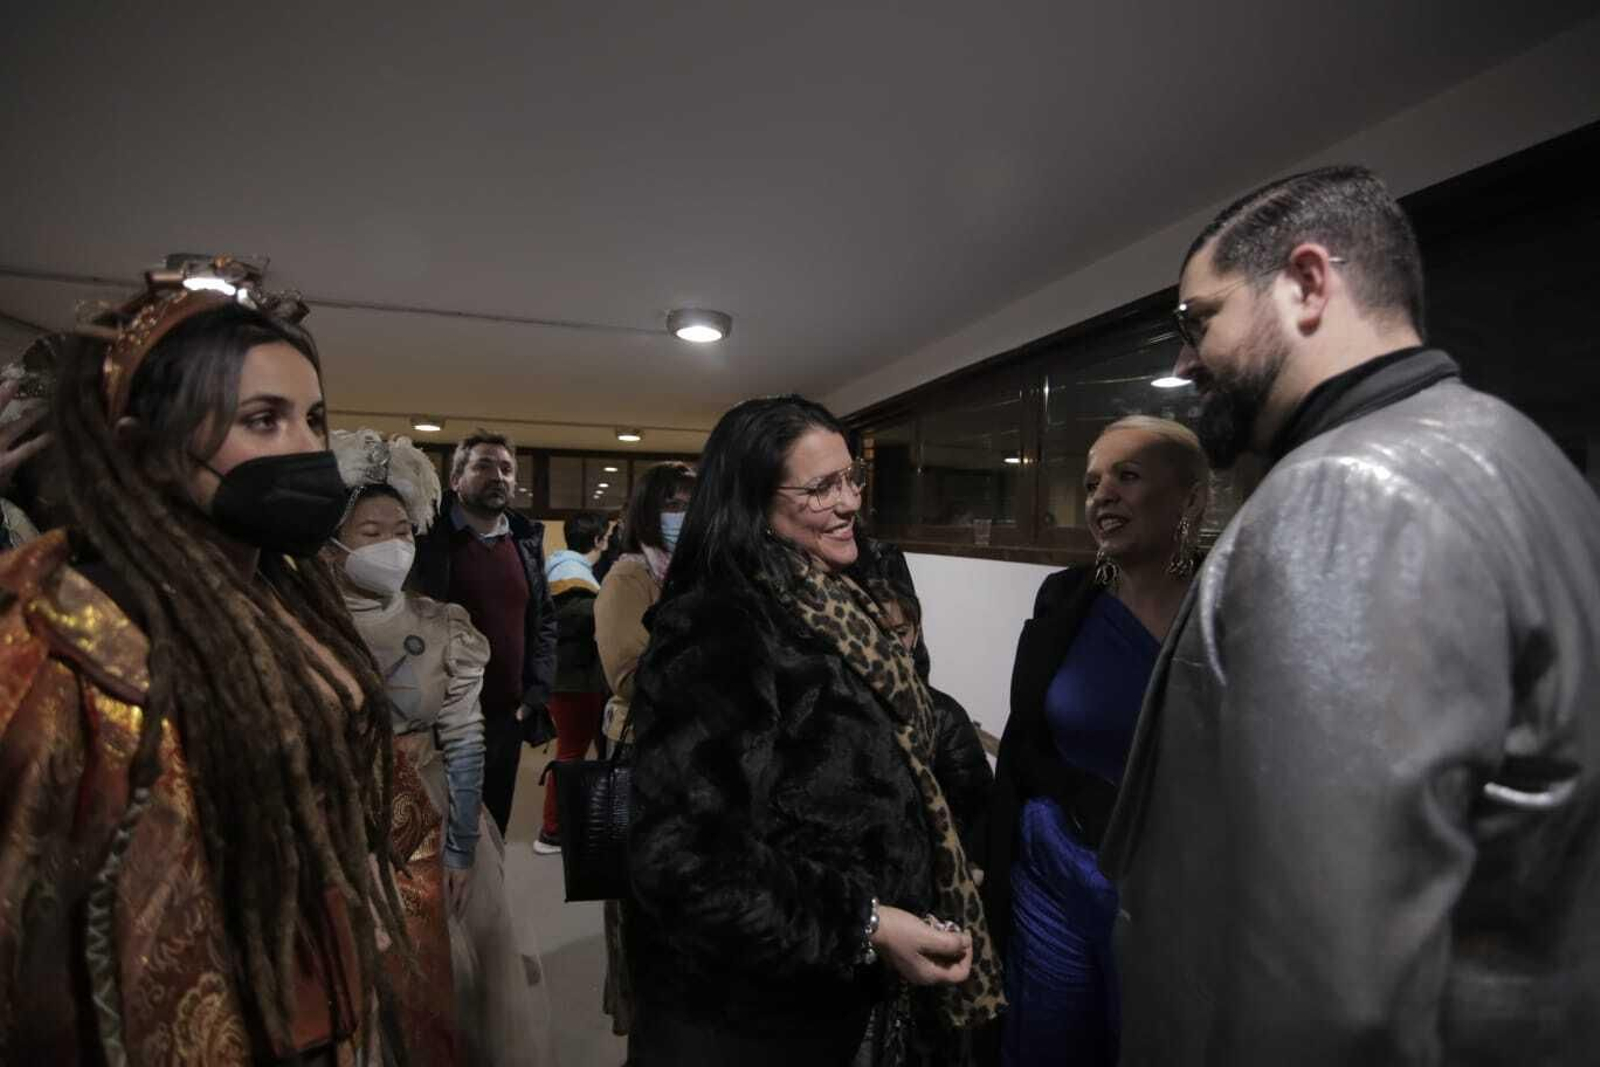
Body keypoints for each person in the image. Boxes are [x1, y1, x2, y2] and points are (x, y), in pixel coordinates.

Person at [1100, 165, 1600, 1064]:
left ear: (1305, 283)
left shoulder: (1349, 491)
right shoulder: (1519, 454)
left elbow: (1331, 997)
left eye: (1198, 320)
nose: (1183, 362)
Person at [0, 260, 438, 1064]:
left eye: (313, 419)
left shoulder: (293, 608)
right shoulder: (56, 642)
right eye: (264, 419)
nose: (307, 450)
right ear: (150, 450)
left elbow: (381, 819)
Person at [625, 395, 1003, 1066]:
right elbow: (683, 855)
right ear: (753, 503)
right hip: (760, 1019)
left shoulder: (835, 597)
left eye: (850, 476)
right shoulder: (720, 623)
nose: (850, 500)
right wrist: (867, 923)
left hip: (857, 999)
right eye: (820, 487)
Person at [985, 417, 1208, 1067]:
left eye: (1127, 476)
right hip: (1059, 867)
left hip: (1182, 895)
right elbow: (1026, 742)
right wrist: (1079, 793)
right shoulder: (1064, 599)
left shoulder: (1235, 602)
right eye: (1090, 483)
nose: (1101, 495)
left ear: (1190, 498)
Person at [326, 429, 551, 1067]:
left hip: (435, 810)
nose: (392, 545)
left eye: (402, 529)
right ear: (333, 539)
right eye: (372, 533)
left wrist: (458, 845)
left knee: (458, 979)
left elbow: (463, 735)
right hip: (340, 818)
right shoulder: (299, 624)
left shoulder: (441, 625)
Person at [591, 459, 696, 1040]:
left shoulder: (695, 571)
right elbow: (629, 674)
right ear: (648, 513)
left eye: (690, 502)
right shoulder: (629, 578)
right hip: (641, 749)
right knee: (637, 889)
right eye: (672, 504)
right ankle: (641, 1013)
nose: (683, 514)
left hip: (693, 749)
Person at [410, 429, 557, 836]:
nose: (498, 476)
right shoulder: (428, 541)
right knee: (436, 841)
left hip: (504, 719)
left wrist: (534, 695)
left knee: (492, 835)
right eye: (484, 465)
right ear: (456, 479)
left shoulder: (524, 543)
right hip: (441, 722)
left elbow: (544, 620)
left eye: (507, 469)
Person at [536, 509, 611, 854]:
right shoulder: (572, 577)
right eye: (606, 537)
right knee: (570, 756)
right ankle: (552, 830)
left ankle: (567, 824)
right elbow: (574, 624)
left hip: (572, 679)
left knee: (575, 754)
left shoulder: (561, 567)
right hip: (574, 680)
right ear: (597, 540)